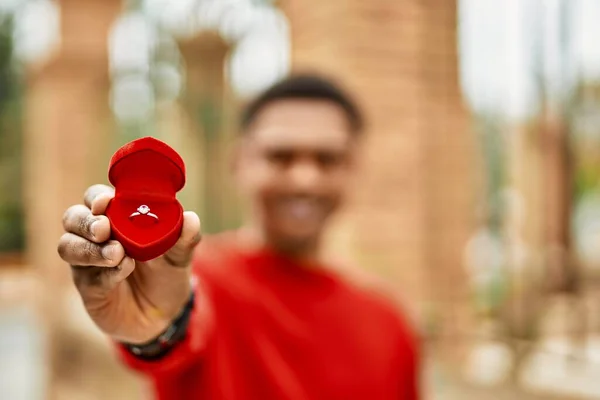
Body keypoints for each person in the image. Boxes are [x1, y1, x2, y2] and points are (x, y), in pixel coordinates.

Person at [57, 74, 420, 399]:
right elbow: (173, 319)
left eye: (327, 159)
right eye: (281, 157)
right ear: (239, 161)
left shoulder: (389, 322)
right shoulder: (194, 274)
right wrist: (155, 332)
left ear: (353, 168)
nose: (305, 179)